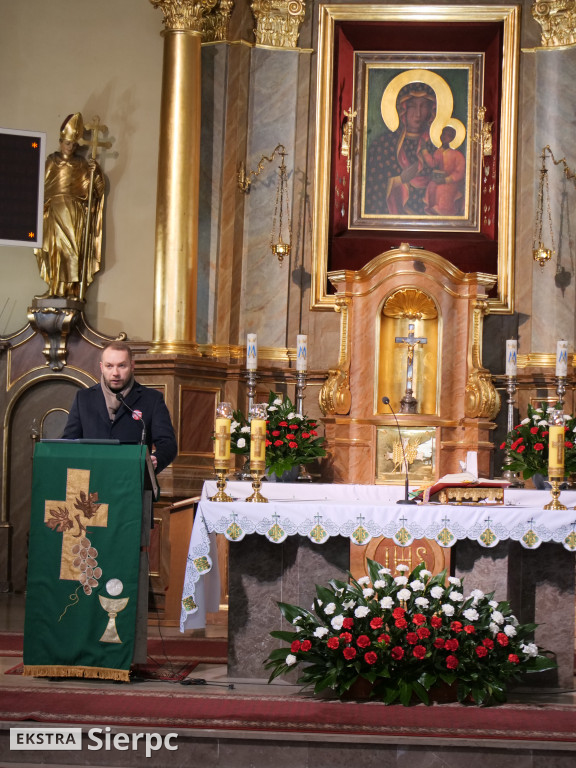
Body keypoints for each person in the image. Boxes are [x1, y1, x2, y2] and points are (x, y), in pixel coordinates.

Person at [61, 341, 177, 473]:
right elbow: (68, 442)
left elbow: (168, 444)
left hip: (133, 479)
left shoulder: (151, 399)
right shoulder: (84, 398)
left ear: (132, 366)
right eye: (109, 366)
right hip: (91, 480)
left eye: (122, 366)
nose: (115, 373)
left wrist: (156, 459)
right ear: (101, 367)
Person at [34, 113, 104, 298]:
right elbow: (39, 187)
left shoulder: (81, 164)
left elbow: (96, 191)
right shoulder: (51, 162)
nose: (70, 147)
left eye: (73, 144)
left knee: (71, 250)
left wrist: (95, 172)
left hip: (73, 212)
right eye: (67, 143)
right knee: (54, 251)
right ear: (60, 142)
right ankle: (54, 289)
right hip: (53, 210)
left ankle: (69, 291)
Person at [365, 81, 437, 216]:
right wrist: (399, 180)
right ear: (402, 108)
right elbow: (372, 188)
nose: (418, 113)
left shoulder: (435, 147)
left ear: (432, 110)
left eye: (424, 106)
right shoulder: (383, 145)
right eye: (412, 107)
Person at [422, 126, 466, 216]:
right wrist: (425, 152)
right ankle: (431, 208)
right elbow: (433, 163)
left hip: (452, 182)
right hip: (440, 179)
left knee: (442, 189)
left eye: (448, 135)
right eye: (443, 134)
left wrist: (446, 180)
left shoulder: (457, 155)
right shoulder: (439, 152)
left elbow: (460, 172)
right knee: (431, 185)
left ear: (452, 139)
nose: (444, 137)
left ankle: (443, 210)